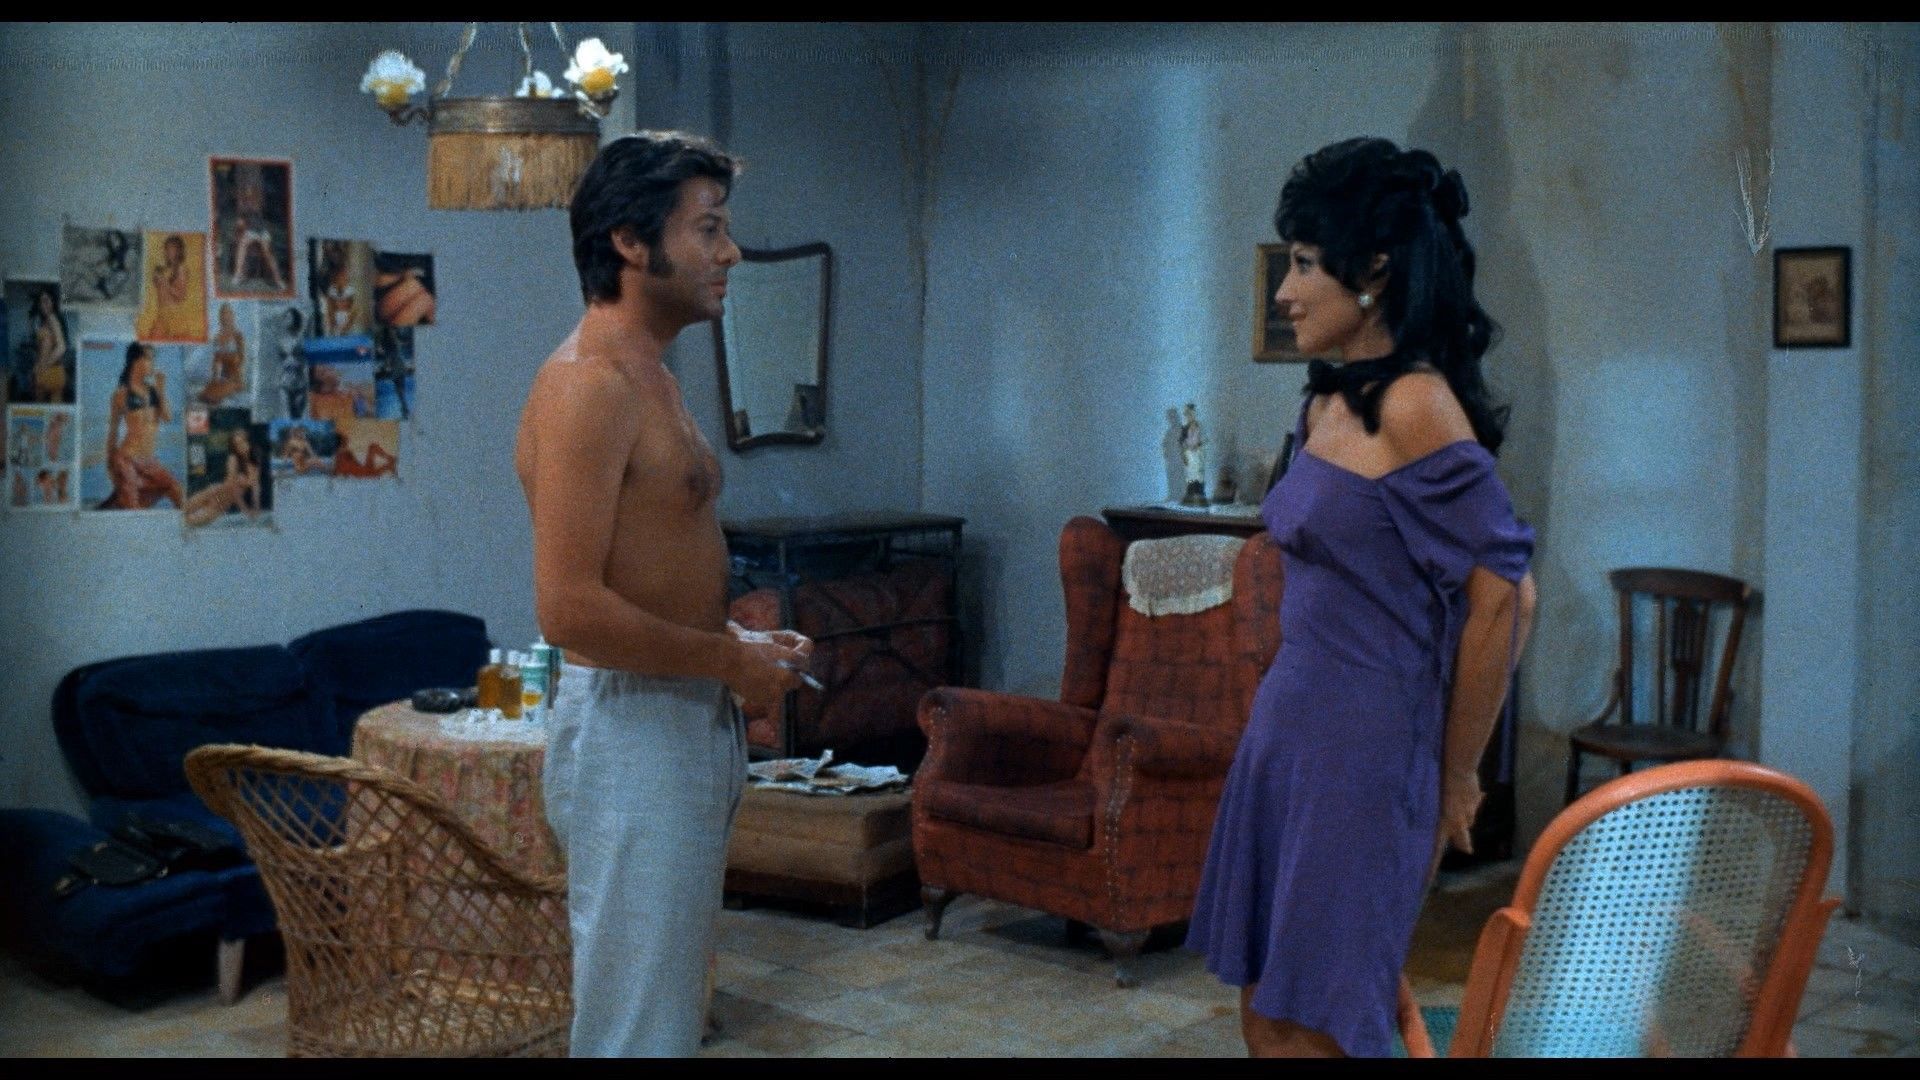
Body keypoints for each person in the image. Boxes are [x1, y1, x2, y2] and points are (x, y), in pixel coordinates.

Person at [1185, 137, 1539, 1059]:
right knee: (1265, 1013)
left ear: (1375, 271)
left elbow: (1508, 596)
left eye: (1305, 264)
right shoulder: (1325, 405)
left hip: (1366, 754)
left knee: (1318, 1023)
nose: (1285, 291)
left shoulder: (1419, 405)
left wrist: (1457, 774)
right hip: (1288, 735)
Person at [514, 130, 812, 1057]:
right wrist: (728, 662)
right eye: (708, 228)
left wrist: (737, 651)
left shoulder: (654, 376)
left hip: (678, 711)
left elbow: (650, 565)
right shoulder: (587, 386)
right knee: (635, 1024)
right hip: (631, 723)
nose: (731, 252)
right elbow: (568, 609)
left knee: (668, 1010)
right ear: (630, 242)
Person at [100, 342, 185, 509]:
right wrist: (110, 465)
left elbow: (167, 417)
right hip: (127, 459)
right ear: (135, 361)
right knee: (134, 509)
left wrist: (161, 390)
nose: (153, 364)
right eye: (149, 359)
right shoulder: (121, 394)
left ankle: (117, 501)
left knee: (177, 493)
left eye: (153, 359)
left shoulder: (154, 391)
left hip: (149, 462)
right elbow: (113, 433)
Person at [184, 426, 263, 525]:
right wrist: (246, 510)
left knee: (192, 523)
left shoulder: (254, 459)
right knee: (181, 513)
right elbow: (232, 488)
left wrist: (256, 508)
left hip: (223, 503)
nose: (241, 446)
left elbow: (255, 485)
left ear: (248, 441)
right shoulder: (233, 459)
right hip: (216, 492)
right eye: (237, 444)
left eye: (243, 442)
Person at [201, 302, 248, 405]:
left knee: (214, 396)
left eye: (227, 313)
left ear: (232, 316)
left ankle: (227, 390)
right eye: (222, 314)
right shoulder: (217, 337)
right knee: (204, 394)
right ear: (220, 317)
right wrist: (215, 378)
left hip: (235, 377)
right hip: (222, 376)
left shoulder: (238, 335)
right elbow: (216, 360)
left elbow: (242, 358)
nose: (225, 317)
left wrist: (229, 359)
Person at [31, 288, 71, 403]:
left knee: (40, 409)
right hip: (56, 371)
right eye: (41, 302)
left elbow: (61, 347)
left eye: (46, 301)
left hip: (48, 371)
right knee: (55, 409)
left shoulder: (52, 318)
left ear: (53, 302)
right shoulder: (50, 320)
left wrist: (43, 365)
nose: (43, 305)